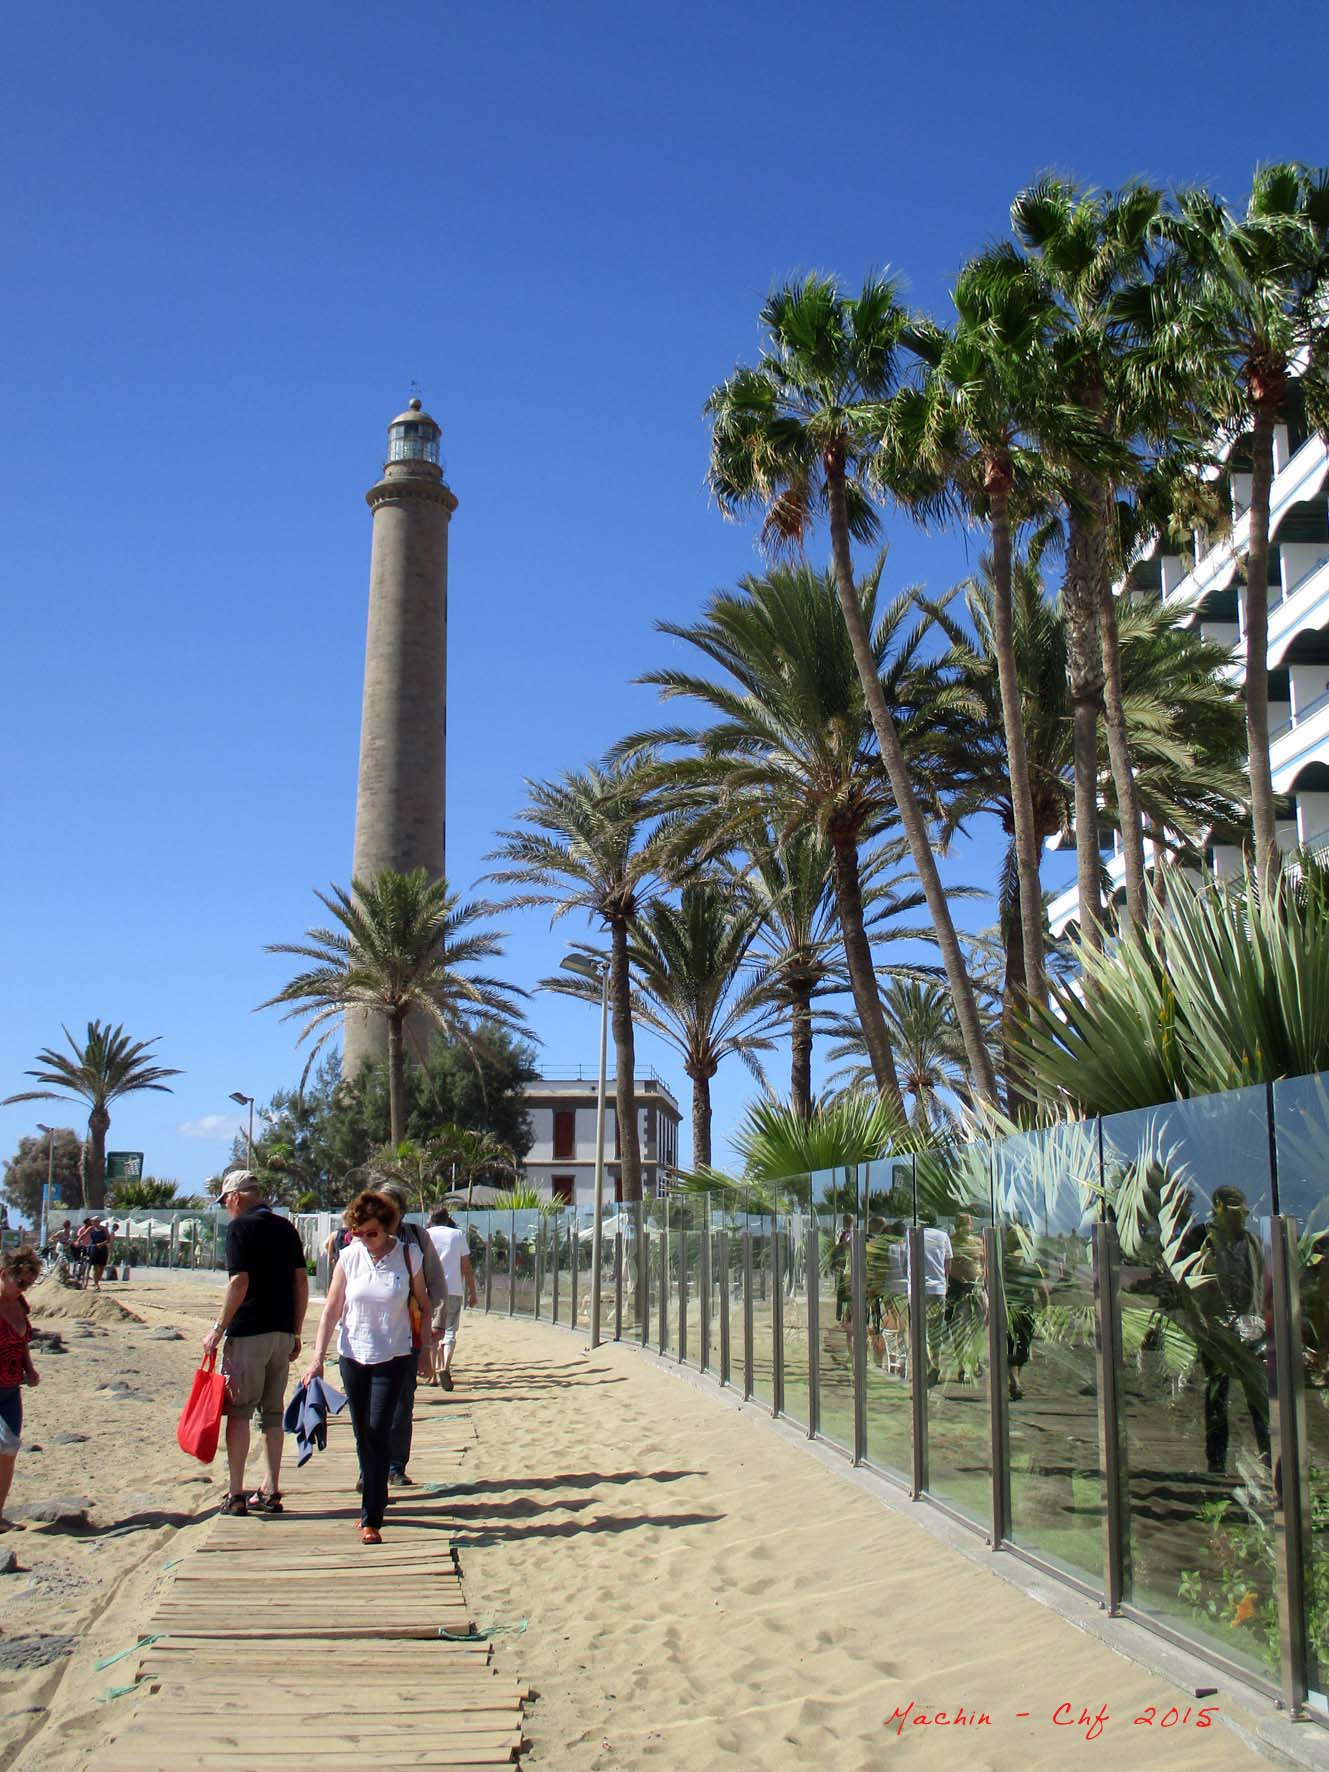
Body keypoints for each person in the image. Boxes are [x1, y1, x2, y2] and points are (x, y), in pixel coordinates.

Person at [301, 1190, 434, 1545]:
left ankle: (370, 1516)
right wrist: (317, 1357)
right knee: (362, 1433)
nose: (365, 1240)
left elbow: (423, 1303)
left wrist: (426, 1349)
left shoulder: (409, 1254)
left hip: (394, 1355)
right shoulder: (349, 1257)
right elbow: (331, 1309)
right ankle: (375, 1488)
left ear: (388, 1227)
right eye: (358, 1233)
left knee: (378, 1430)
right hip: (352, 1355)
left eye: (371, 1233)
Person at [201, 1170, 308, 1518]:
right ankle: (272, 1488)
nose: (226, 1208)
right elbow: (300, 1281)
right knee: (273, 1414)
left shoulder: (239, 1228)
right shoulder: (286, 1228)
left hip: (248, 1331)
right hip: (281, 1331)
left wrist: (218, 1329)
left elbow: (239, 1281)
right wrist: (295, 1330)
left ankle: (235, 1492)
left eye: (226, 1201)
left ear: (236, 1196)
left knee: (239, 1412)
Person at [1180, 1186, 1271, 1477]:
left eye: (1244, 1212)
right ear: (1218, 1207)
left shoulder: (1254, 1243)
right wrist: (1199, 1319)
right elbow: (1183, 1280)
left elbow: (1261, 1285)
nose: (1240, 1217)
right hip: (1215, 1331)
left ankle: (1270, 1458)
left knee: (1258, 1397)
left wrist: (1259, 1323)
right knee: (1217, 1395)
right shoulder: (1200, 1238)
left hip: (1251, 1331)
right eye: (1234, 1210)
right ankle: (1216, 1463)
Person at [376, 1181, 446, 1486]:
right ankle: (369, 1468)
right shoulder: (360, 1237)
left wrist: (431, 1324)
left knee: (402, 1402)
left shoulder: (417, 1238)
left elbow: (437, 1284)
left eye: (389, 1208)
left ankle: (394, 1466)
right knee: (369, 1405)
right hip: (370, 1335)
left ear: (401, 1211)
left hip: (410, 1332)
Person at [0, 1247, 42, 1532]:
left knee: (10, 1448)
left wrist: (30, 1367)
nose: (24, 1288)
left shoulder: (21, 1305)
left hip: (12, 1388)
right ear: (4, 1274)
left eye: (29, 1283)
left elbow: (22, 1340)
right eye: (21, 1282)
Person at [427, 1206, 479, 1389]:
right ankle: (445, 1366)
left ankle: (432, 1374)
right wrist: (472, 1292)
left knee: (433, 1332)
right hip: (454, 1289)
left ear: (431, 1218)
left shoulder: (426, 1235)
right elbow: (466, 1267)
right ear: (447, 1218)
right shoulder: (457, 1235)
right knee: (450, 1332)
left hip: (431, 1289)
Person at [85, 1216, 111, 1291]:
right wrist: (78, 1240)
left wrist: (101, 1244)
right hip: (94, 1248)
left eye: (95, 1221)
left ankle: (97, 1280)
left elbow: (108, 1239)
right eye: (92, 1221)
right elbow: (83, 1234)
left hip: (102, 1249)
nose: (93, 1223)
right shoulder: (91, 1228)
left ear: (98, 1222)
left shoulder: (104, 1229)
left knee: (102, 1267)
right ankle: (96, 1283)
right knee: (96, 1267)